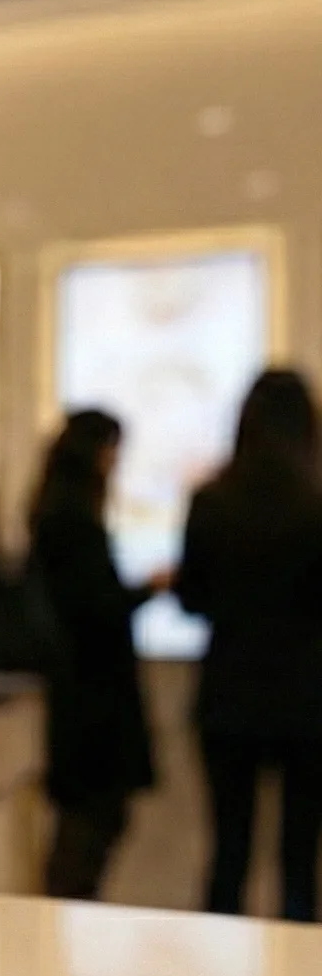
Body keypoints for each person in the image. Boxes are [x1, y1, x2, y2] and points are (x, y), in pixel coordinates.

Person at [176, 368, 322, 922]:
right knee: (300, 861)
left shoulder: (212, 500)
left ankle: (221, 967)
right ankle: (303, 972)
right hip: (309, 696)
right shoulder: (315, 504)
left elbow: (192, 598)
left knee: (228, 852)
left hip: (229, 692)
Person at [27, 410, 160, 899]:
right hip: (94, 700)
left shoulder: (57, 516)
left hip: (81, 696)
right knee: (88, 831)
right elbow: (95, 608)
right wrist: (145, 590)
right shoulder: (73, 522)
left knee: (85, 830)